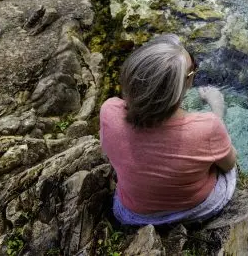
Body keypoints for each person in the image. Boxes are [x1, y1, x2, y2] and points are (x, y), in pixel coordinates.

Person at [100, 34, 238, 226]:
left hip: (131, 214)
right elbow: (229, 164)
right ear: (184, 84)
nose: (194, 73)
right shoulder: (208, 126)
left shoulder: (108, 110)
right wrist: (217, 110)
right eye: (192, 71)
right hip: (194, 210)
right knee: (224, 162)